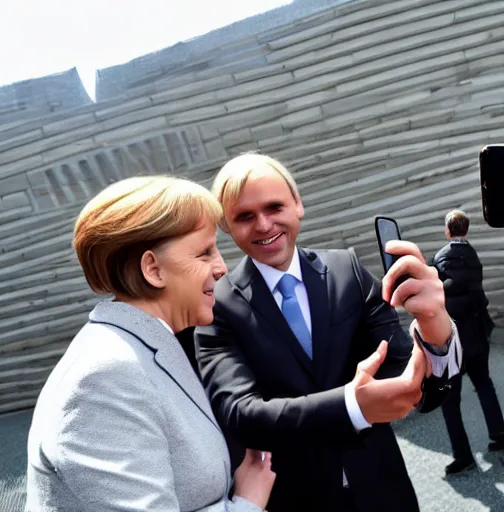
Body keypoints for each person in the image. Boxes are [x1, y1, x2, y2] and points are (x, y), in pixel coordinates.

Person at [194, 153, 462, 512]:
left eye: (274, 207)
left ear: (298, 204)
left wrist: (434, 326)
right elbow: (242, 415)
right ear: (226, 225)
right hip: (297, 500)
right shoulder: (216, 307)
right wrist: (352, 405)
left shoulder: (346, 270)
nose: (262, 225)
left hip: (383, 490)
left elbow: (414, 387)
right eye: (244, 216)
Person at [25, 176, 276, 512]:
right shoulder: (106, 378)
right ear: (153, 269)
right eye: (204, 253)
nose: (221, 268)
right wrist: (247, 502)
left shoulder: (143, 346)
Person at [432, 209, 504, 475]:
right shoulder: (473, 258)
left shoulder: (439, 259)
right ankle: (499, 434)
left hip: (452, 341)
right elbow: (478, 296)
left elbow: (436, 300)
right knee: (484, 384)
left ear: (448, 230)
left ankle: (463, 456)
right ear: (466, 229)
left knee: (450, 401)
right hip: (475, 334)